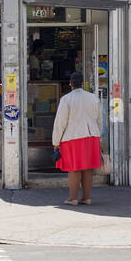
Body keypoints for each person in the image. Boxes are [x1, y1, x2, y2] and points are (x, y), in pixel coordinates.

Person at [52, 71, 103, 205]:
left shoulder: (66, 99)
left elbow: (60, 122)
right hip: (92, 136)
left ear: (70, 84)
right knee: (88, 168)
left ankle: (73, 198)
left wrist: (56, 141)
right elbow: (99, 120)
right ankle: (87, 198)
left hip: (72, 137)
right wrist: (99, 135)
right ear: (82, 83)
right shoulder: (93, 98)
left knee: (73, 168)